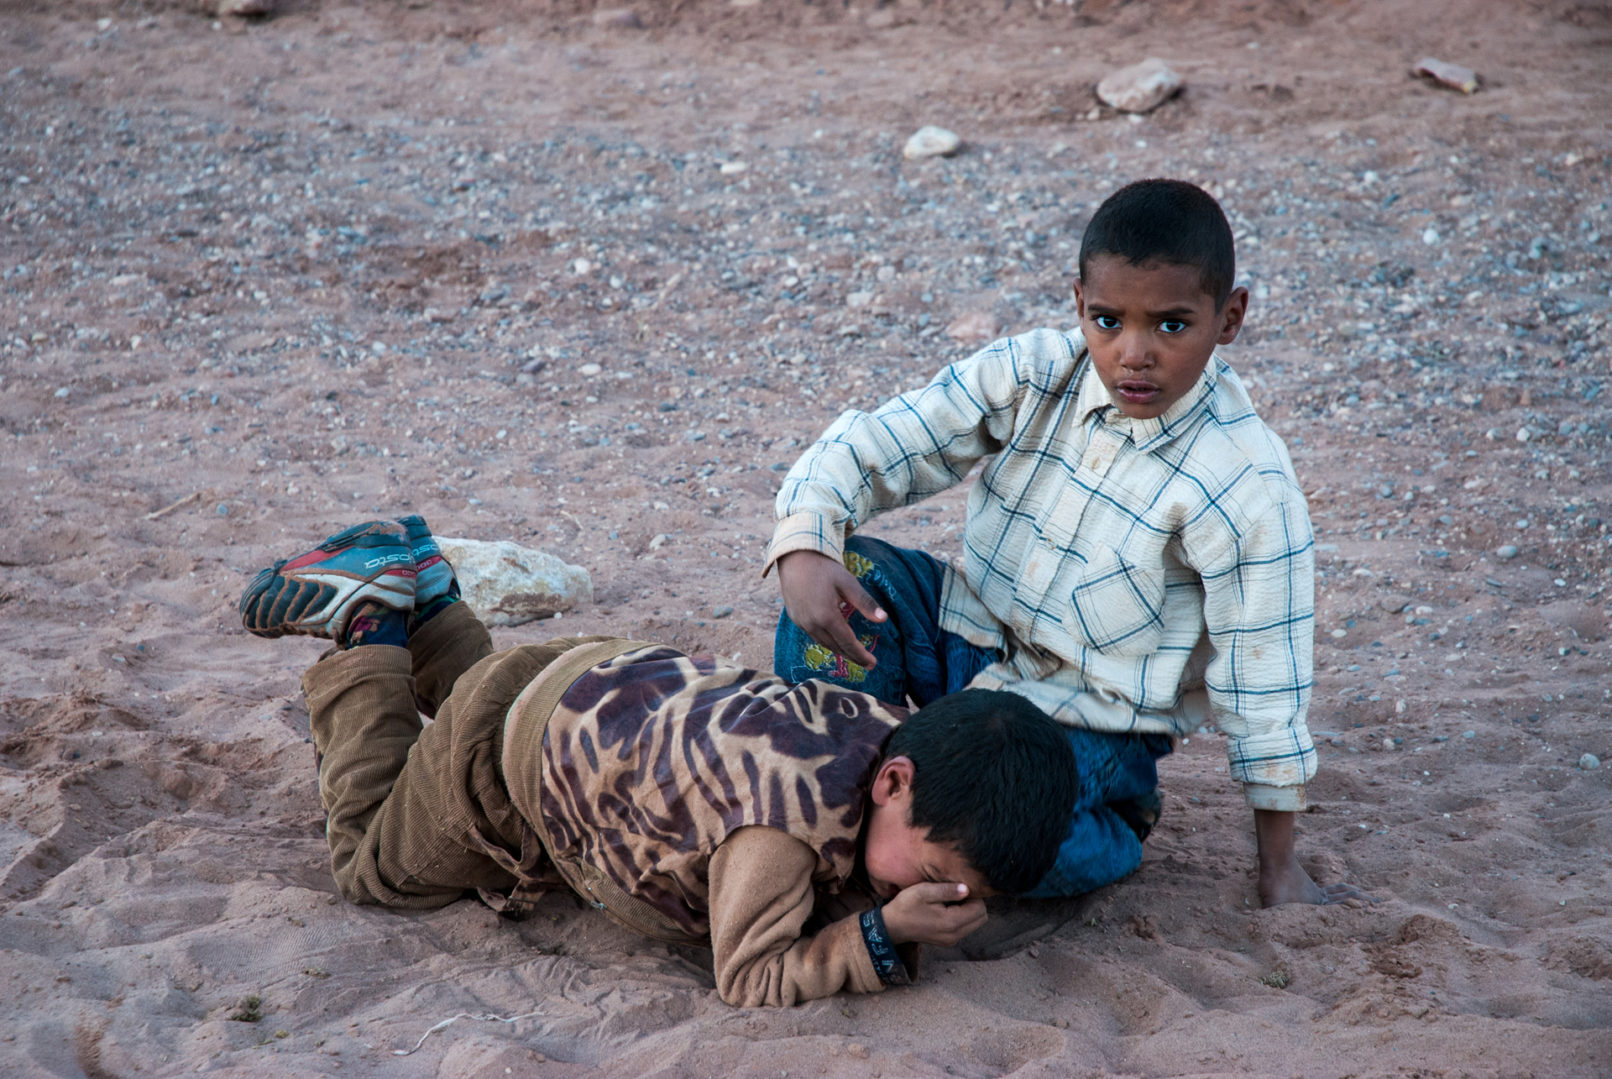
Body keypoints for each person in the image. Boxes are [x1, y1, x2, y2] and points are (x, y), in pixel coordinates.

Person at [768, 178, 1370, 908]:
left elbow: (1265, 674)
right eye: (1110, 320)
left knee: (1002, 825)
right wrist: (804, 543)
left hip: (1084, 725)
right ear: (1079, 302)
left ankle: (1105, 826)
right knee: (852, 569)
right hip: (967, 645)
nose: (1134, 353)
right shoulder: (1035, 372)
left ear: (1230, 315)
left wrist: (1279, 869)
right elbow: (881, 442)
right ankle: (847, 797)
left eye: (1172, 325)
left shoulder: (1246, 481)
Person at [237, 516, 1079, 1008]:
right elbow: (747, 976)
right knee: (375, 866)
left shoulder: (884, 725)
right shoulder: (778, 834)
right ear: (893, 782)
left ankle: (431, 599)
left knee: (479, 702)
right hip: (502, 765)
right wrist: (883, 931)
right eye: (935, 873)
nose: (941, 897)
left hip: (599, 683)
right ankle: (371, 627)